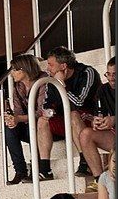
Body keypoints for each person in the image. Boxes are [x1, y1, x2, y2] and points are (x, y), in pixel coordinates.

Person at [42, 46, 101, 178]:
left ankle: (86, 162)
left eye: (51, 65)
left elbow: (79, 103)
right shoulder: (51, 79)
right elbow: (46, 105)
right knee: (42, 121)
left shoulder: (87, 72)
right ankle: (45, 169)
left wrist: (62, 85)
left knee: (73, 114)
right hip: (66, 121)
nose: (48, 68)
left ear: (63, 66)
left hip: (91, 119)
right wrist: (48, 111)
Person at [3, 53, 50, 184]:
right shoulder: (18, 86)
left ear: (24, 69)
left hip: (46, 124)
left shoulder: (44, 80)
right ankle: (20, 171)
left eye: (14, 69)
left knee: (32, 128)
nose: (11, 73)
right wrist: (13, 119)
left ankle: (37, 169)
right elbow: (18, 111)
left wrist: (19, 118)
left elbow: (42, 111)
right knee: (10, 129)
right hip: (29, 123)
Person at [79, 58, 116, 181]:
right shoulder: (103, 90)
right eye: (108, 74)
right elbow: (99, 113)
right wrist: (97, 122)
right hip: (113, 135)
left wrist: (114, 119)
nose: (111, 78)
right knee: (86, 134)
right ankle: (99, 181)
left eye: (115, 74)